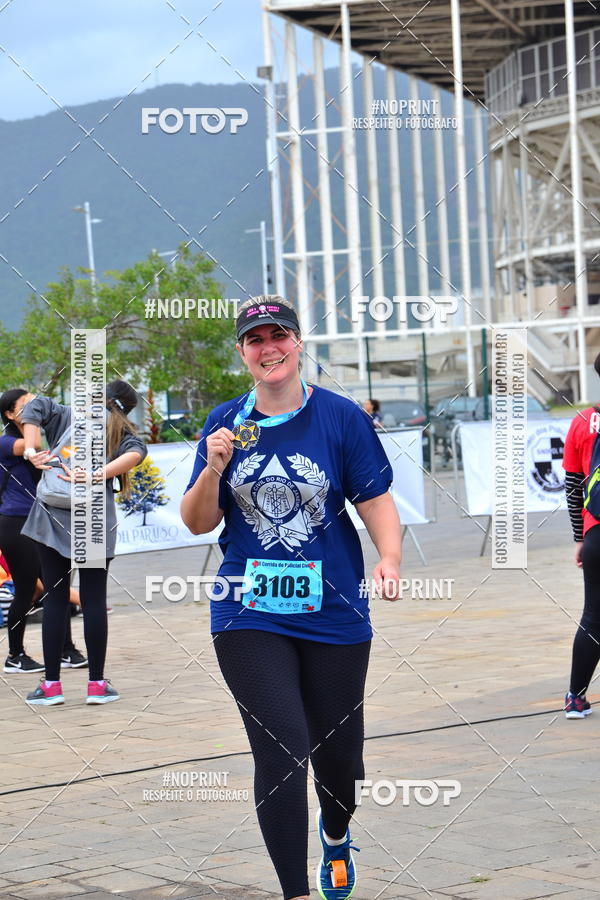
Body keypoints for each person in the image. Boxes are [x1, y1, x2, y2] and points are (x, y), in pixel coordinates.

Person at [181, 295, 402, 900]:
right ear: (242, 352)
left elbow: (375, 498)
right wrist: (212, 470)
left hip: (333, 611)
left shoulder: (339, 417)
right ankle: (295, 892)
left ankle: (336, 834)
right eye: (255, 340)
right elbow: (198, 522)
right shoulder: (225, 422)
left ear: (298, 344)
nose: (268, 348)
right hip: (247, 609)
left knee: (340, 760)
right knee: (282, 749)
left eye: (278, 336)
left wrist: (388, 557)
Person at [19, 380, 146, 706]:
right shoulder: (119, 431)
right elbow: (137, 452)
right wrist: (96, 475)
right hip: (94, 522)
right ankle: (96, 686)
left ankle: (50, 687)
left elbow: (32, 407)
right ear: (126, 409)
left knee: (56, 600)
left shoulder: (66, 415)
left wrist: (32, 450)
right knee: (92, 601)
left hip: (52, 517)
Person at [0, 389, 86, 673]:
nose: (35, 408)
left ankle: (66, 649)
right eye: (26, 405)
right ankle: (15, 655)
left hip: (44, 518)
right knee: (27, 590)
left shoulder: (43, 435)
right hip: (17, 522)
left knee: (57, 586)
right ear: (10, 415)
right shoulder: (7, 442)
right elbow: (35, 447)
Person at [563, 351, 600, 718]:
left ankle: (576, 696)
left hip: (596, 534)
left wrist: (580, 537)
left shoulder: (583, 422)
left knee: (594, 617)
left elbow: (573, 486)